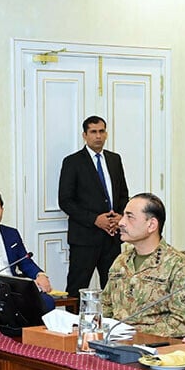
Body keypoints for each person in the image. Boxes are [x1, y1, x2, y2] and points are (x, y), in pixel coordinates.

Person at [101, 193, 185, 337]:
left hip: (153, 348)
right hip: (114, 340)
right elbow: (105, 306)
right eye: (123, 216)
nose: (121, 223)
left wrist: (133, 333)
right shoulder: (121, 261)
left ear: (151, 225)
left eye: (130, 217)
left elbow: (183, 322)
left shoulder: (180, 267)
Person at [58, 115, 129, 297]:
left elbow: (123, 194)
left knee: (113, 288)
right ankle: (73, 324)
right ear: (85, 135)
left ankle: (110, 324)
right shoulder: (72, 162)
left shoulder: (114, 159)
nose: (98, 136)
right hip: (84, 238)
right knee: (76, 287)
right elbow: (65, 201)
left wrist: (120, 216)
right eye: (93, 132)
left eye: (102, 131)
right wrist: (95, 219)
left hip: (112, 237)